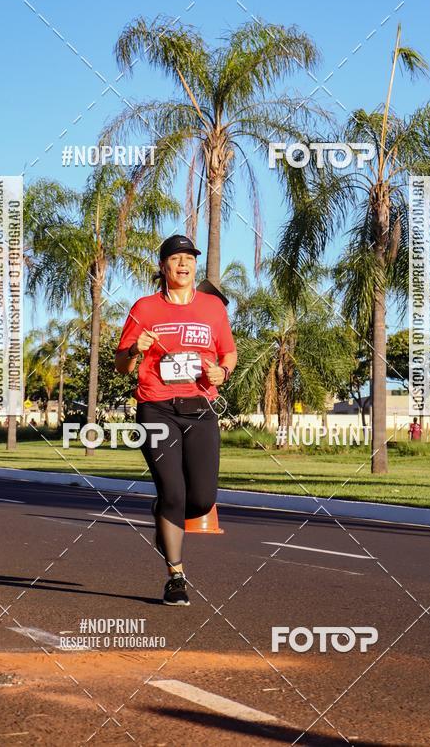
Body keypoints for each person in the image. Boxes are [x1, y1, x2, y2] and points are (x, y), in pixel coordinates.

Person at [115, 235, 237, 606]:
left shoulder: (213, 308)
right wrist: (136, 349)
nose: (183, 264)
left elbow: (228, 352)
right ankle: (176, 576)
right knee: (174, 493)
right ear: (163, 266)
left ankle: (164, 511)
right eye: (175, 258)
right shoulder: (145, 308)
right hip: (157, 407)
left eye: (189, 258)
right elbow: (122, 367)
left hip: (199, 408)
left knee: (200, 500)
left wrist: (222, 373)